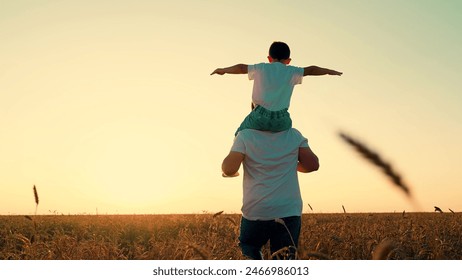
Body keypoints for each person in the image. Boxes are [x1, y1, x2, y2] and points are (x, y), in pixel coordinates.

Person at [222, 127, 320, 260]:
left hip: (256, 210)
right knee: (284, 260)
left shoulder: (245, 135)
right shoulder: (293, 135)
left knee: (249, 249)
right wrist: (287, 164)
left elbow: (229, 169)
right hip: (288, 210)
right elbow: (312, 165)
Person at [211, 41, 342, 136]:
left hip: (259, 116)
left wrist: (223, 70)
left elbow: (240, 67)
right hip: (282, 118)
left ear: (269, 58)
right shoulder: (292, 71)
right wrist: (330, 71)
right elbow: (312, 69)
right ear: (288, 60)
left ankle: (232, 168)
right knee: (289, 137)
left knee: (239, 135)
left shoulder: (261, 67)